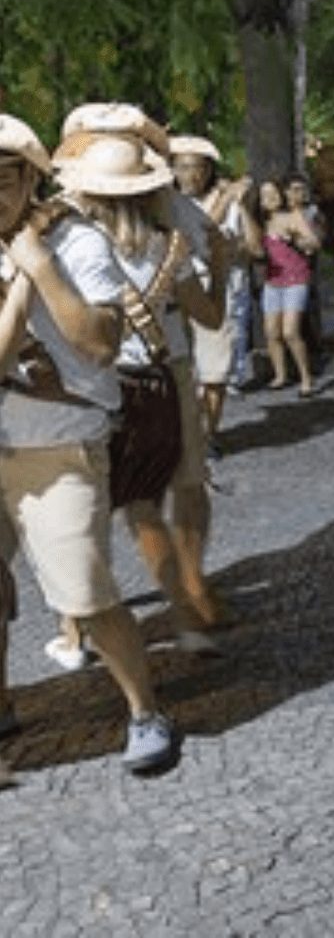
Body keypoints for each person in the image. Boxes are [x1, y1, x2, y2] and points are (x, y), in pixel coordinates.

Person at [0, 113, 179, 772]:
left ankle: (145, 710)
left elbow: (100, 346)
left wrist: (38, 265)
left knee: (86, 596)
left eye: (1, 180)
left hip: (61, 448)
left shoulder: (76, 244)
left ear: (29, 180)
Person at [51, 128, 228, 661]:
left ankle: (75, 633)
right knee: (145, 507)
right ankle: (187, 617)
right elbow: (211, 317)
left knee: (79, 517)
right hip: (158, 384)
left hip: (93, 387)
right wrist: (218, 269)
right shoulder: (169, 243)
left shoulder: (66, 242)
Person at [170, 135, 256, 452]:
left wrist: (239, 205)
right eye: (181, 167)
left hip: (219, 293)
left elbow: (253, 247)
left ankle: (207, 435)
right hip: (176, 296)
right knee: (179, 369)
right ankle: (184, 434)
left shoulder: (227, 204)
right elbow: (202, 234)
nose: (189, 175)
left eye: (196, 168)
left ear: (207, 171)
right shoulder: (166, 204)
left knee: (214, 371)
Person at [250, 178, 321, 396]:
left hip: (296, 279)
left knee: (290, 331)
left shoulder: (293, 216)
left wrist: (296, 238)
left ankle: (306, 378)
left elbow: (314, 243)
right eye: (264, 196)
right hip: (273, 281)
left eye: (273, 194)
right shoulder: (262, 223)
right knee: (271, 332)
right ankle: (280, 375)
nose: (269, 199)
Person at [284, 173, 327, 374]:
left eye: (301, 189)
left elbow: (315, 243)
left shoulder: (313, 213)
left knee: (306, 318)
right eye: (293, 189)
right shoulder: (279, 214)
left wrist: (295, 238)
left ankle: (313, 363)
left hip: (305, 272)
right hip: (281, 275)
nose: (297, 194)